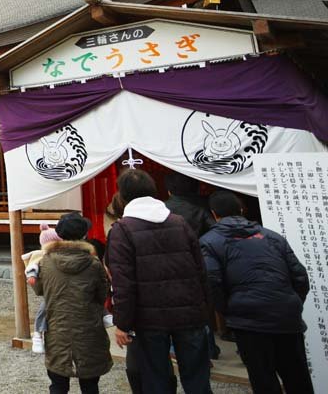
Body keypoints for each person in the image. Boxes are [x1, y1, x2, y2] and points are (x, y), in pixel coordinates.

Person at [106, 169, 210, 393]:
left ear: (122, 195)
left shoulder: (123, 229)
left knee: (156, 378)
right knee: (198, 378)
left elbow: (123, 282)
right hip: (189, 313)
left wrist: (122, 322)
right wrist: (203, 306)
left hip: (149, 319)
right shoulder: (179, 222)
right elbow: (200, 269)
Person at [200, 190, 313, 394]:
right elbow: (300, 276)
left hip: (248, 320)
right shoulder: (272, 236)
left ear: (214, 214)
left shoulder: (209, 241)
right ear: (241, 210)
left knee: (263, 379)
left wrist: (228, 310)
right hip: (286, 316)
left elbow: (212, 282)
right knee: (298, 377)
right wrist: (292, 301)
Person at [33, 212, 112, 394]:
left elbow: (39, 290)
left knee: (58, 385)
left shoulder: (46, 261)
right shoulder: (93, 264)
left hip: (57, 330)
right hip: (89, 331)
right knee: (90, 385)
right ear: (84, 235)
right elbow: (102, 294)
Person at [23, 223, 61, 354]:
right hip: (50, 290)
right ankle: (38, 334)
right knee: (44, 308)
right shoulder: (40, 255)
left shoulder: (61, 254)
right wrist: (32, 275)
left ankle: (105, 314)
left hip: (59, 287)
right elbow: (32, 266)